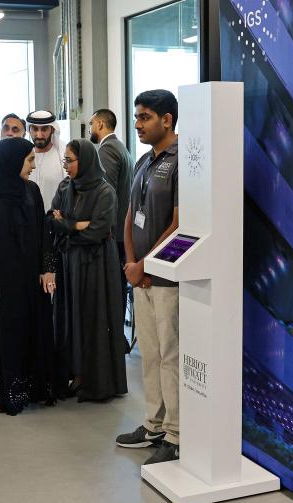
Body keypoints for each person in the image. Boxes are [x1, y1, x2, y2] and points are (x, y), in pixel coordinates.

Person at [115, 90, 181, 465]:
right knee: (150, 355)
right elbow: (130, 215)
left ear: (167, 119)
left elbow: (178, 223)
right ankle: (153, 423)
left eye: (145, 118)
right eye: (137, 117)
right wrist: (130, 262)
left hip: (166, 278)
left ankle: (175, 433)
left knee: (170, 355)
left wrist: (146, 264)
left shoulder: (181, 160)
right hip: (140, 276)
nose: (137, 124)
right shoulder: (143, 160)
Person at [0, 137, 59, 415]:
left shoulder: (31, 191)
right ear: (13, 162)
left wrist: (47, 268)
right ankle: (4, 392)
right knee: (4, 335)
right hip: (3, 279)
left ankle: (34, 387)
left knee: (32, 329)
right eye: (29, 160)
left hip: (30, 276)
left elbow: (43, 233)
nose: (33, 166)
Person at [49, 139, 127, 401]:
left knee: (93, 317)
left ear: (86, 161)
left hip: (96, 265)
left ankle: (94, 378)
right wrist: (76, 225)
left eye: (70, 160)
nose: (66, 166)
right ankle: (74, 372)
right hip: (69, 263)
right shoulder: (65, 187)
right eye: (65, 160)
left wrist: (68, 225)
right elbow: (51, 220)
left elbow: (98, 231)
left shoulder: (105, 192)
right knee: (70, 317)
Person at [89, 109, 134, 310]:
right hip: (122, 229)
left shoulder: (106, 149)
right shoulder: (120, 147)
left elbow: (106, 194)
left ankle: (113, 336)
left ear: (100, 124)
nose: (90, 128)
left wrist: (101, 228)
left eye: (91, 123)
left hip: (113, 232)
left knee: (113, 288)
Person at [25, 110, 66, 206]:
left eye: (44, 129)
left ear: (52, 129)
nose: (39, 135)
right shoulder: (22, 156)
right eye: (34, 129)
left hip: (54, 217)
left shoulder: (63, 155)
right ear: (29, 129)